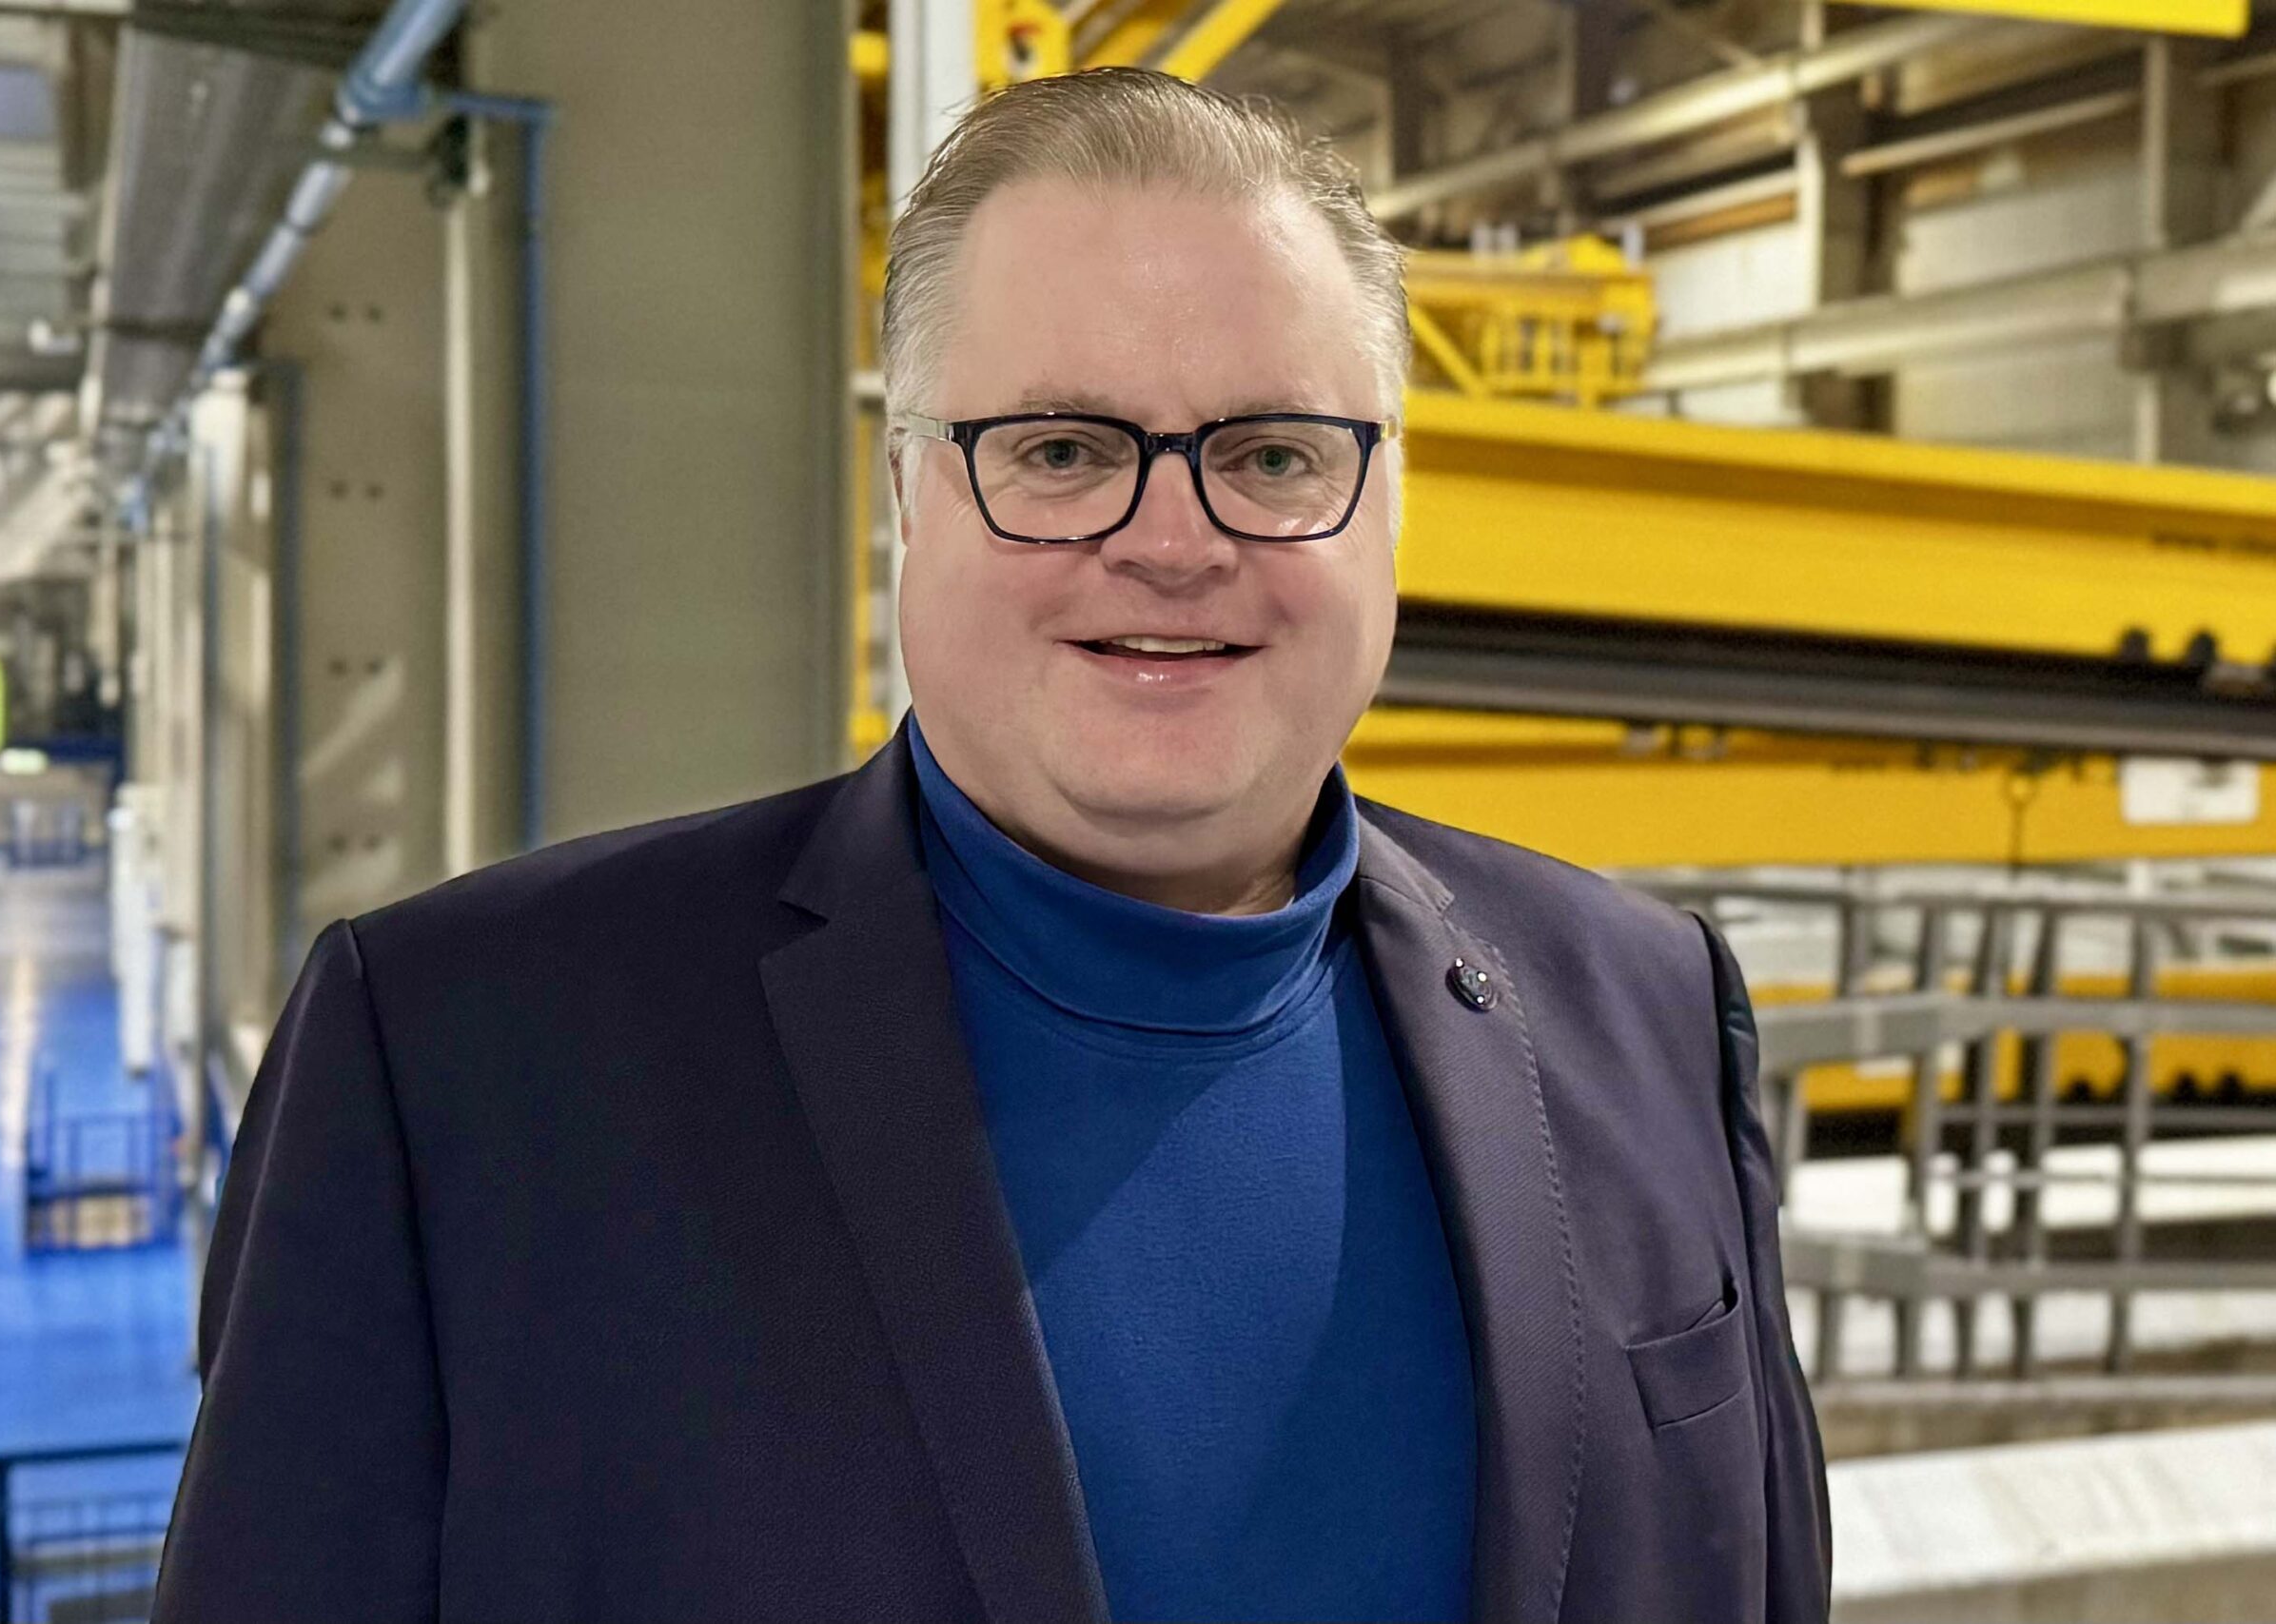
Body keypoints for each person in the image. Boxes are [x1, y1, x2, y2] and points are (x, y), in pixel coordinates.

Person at [153, 66, 1829, 1624]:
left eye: (1271, 454)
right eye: (1062, 451)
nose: (1172, 541)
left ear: (1388, 506)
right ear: (908, 496)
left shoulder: (1645, 1011)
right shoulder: (459, 1062)